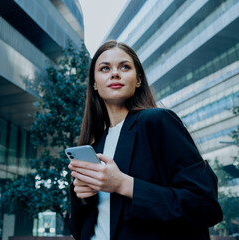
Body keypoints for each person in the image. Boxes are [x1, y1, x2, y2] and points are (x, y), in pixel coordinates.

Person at [67, 40, 223, 240]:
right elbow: (80, 229)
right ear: (94, 84)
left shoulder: (157, 122)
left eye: (124, 67)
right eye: (105, 68)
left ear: (138, 79)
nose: (115, 73)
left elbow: (204, 205)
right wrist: (80, 196)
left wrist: (123, 184)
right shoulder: (95, 145)